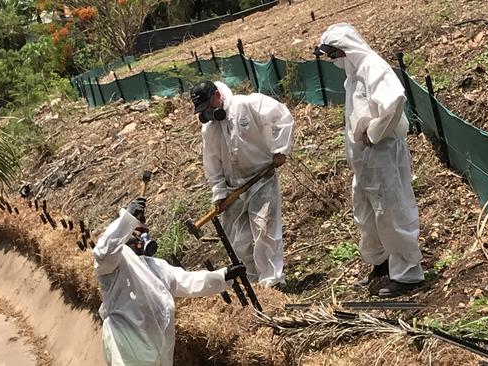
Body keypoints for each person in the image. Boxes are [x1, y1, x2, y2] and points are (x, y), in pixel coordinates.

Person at [314, 23, 424, 297]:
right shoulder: (353, 75)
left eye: (334, 54)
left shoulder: (373, 67)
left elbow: (395, 99)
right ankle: (382, 263)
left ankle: (408, 273)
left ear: (345, 49)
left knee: (392, 211)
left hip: (383, 155)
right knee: (366, 214)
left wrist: (375, 133)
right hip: (364, 162)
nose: (333, 60)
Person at [93, 196, 245, 366]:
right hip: (127, 344)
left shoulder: (155, 266)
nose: (142, 238)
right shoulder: (113, 263)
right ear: (124, 233)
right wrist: (128, 217)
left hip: (157, 345)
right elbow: (104, 250)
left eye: (144, 233)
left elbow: (187, 281)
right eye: (137, 232)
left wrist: (223, 276)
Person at [189, 80, 294, 288]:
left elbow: (281, 116)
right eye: (203, 110)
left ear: (217, 95)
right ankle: (255, 283)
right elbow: (211, 161)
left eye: (209, 106)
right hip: (233, 188)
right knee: (239, 241)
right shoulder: (209, 129)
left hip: (261, 178)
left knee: (265, 230)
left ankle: (273, 282)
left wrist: (280, 149)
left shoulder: (246, 105)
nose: (208, 113)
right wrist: (219, 192)